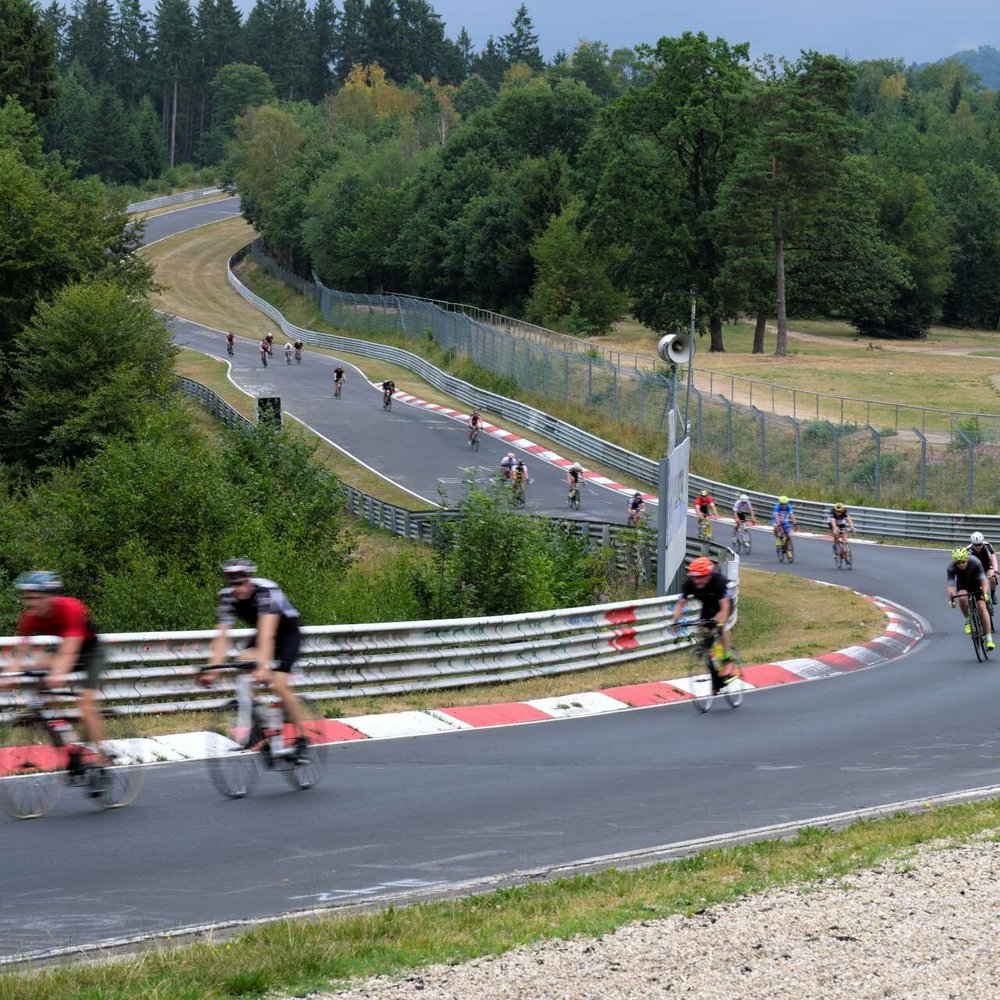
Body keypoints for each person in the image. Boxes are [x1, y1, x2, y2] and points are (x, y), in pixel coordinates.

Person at [199, 560, 313, 760]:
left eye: (242, 583)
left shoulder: (265, 592)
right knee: (243, 661)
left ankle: (303, 739)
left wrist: (262, 666)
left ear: (250, 580)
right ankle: (262, 723)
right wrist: (212, 670)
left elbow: (267, 636)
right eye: (234, 585)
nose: (239, 589)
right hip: (264, 632)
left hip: (287, 634)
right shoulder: (227, 598)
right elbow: (221, 639)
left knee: (278, 684)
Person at [3, 572, 112, 781]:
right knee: (41, 677)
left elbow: (69, 651)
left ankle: (101, 755)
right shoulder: (30, 617)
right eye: (27, 598)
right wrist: (8, 675)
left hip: (90, 651)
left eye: (36, 597)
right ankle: (68, 737)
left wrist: (57, 673)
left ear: (49, 596)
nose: (31, 603)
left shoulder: (70, 607)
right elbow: (21, 650)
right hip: (66, 649)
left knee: (86, 705)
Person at [671, 557, 734, 693]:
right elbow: (681, 603)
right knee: (706, 642)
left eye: (701, 578)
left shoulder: (719, 581)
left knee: (719, 627)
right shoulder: (690, 583)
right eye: (695, 578)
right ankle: (716, 680)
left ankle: (727, 658)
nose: (697, 581)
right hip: (707, 607)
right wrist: (676, 621)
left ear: (709, 575)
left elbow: (724, 608)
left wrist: (719, 623)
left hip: (723, 606)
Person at [947, 547, 994, 650]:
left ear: (967, 559)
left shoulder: (975, 562)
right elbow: (950, 586)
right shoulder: (951, 567)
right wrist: (952, 600)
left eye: (963, 562)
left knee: (981, 606)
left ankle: (989, 638)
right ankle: (968, 620)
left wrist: (985, 593)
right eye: (958, 563)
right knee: (962, 598)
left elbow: (984, 580)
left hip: (977, 583)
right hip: (963, 584)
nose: (960, 565)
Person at [969, 532, 999, 602]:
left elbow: (993, 559)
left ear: (982, 543)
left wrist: (996, 571)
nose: (977, 547)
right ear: (972, 544)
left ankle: (993, 594)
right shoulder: (968, 550)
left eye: (979, 545)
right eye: (975, 545)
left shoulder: (987, 546)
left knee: (993, 577)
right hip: (975, 568)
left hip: (986, 565)